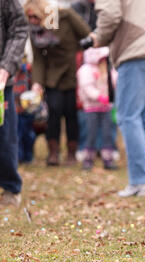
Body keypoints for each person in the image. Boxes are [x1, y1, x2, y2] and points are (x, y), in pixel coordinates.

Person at [92, 0, 145, 197]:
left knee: (129, 117)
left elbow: (110, 15)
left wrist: (97, 37)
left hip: (136, 50)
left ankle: (141, 181)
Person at [24, 0, 91, 166]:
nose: (32, 20)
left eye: (35, 16)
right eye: (29, 16)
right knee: (53, 112)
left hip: (71, 71)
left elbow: (87, 33)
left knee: (71, 114)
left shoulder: (66, 17)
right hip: (52, 76)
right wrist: (37, 83)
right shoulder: (34, 31)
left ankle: (72, 153)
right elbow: (38, 59)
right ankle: (53, 152)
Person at [0, 0, 28, 206]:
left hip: (1, 81)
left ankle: (10, 187)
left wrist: (6, 67)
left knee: (4, 136)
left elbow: (19, 29)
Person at [77, 46, 118, 171]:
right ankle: (88, 158)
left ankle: (108, 158)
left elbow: (115, 81)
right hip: (91, 108)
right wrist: (98, 96)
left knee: (107, 133)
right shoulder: (86, 70)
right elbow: (86, 87)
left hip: (106, 108)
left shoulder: (108, 69)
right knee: (91, 133)